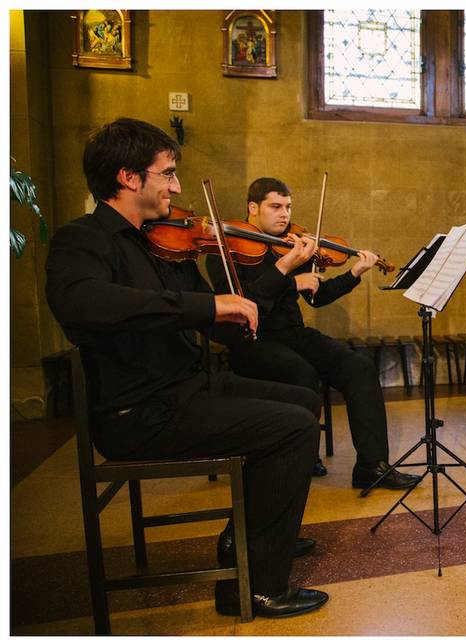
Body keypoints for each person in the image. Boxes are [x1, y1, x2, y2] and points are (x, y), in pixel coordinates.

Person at [45, 118, 327, 619]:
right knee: (293, 429)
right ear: (130, 178)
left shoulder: (167, 244)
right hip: (139, 412)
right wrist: (204, 308)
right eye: (168, 174)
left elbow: (223, 321)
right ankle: (259, 584)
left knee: (304, 398)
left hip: (189, 389)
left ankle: (241, 543)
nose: (177, 186)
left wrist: (260, 292)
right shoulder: (83, 240)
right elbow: (82, 304)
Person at [206, 177, 418, 491]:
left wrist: (353, 274)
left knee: (358, 368)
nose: (284, 215)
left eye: (288, 207)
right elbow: (242, 305)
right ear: (253, 207)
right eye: (275, 206)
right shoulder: (225, 250)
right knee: (301, 372)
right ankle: (301, 454)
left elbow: (316, 295)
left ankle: (372, 466)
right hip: (252, 340)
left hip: (293, 334)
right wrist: (291, 280)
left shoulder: (292, 245)